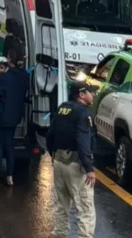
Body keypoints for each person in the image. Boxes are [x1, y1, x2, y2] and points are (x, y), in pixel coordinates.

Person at [47, 81, 97, 238]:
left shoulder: (63, 108)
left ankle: (59, 235)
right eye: (90, 92)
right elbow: (83, 141)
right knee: (85, 209)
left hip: (59, 161)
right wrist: (89, 169)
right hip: (75, 164)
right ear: (81, 95)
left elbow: (50, 134)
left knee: (62, 206)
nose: (93, 95)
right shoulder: (84, 113)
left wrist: (52, 153)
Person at [0, 50, 28, 186]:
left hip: (1, 116)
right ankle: (9, 177)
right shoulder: (24, 76)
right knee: (10, 145)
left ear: (9, 58)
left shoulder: (2, 79)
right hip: (15, 117)